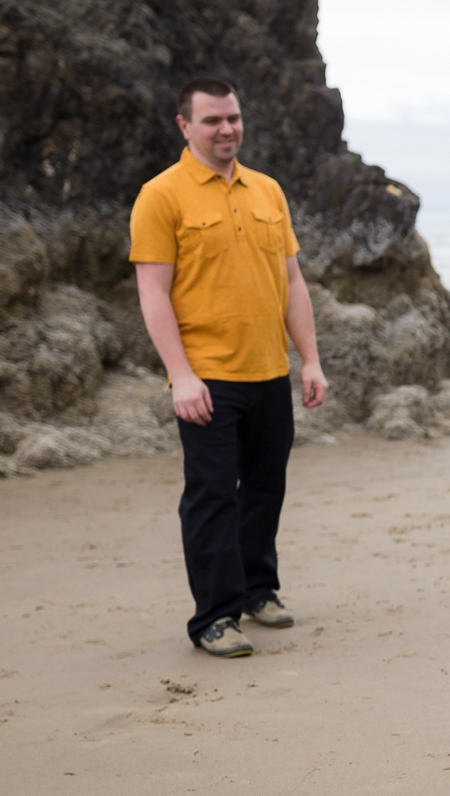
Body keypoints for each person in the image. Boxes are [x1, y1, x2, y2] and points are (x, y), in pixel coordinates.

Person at [130, 76, 328, 657]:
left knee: (265, 488)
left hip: (269, 371)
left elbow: (292, 281)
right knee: (213, 495)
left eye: (233, 118)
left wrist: (309, 361)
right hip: (208, 377)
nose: (226, 129)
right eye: (213, 120)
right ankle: (214, 618)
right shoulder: (161, 195)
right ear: (184, 126)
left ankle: (257, 589)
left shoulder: (267, 191)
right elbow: (153, 294)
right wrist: (181, 375)